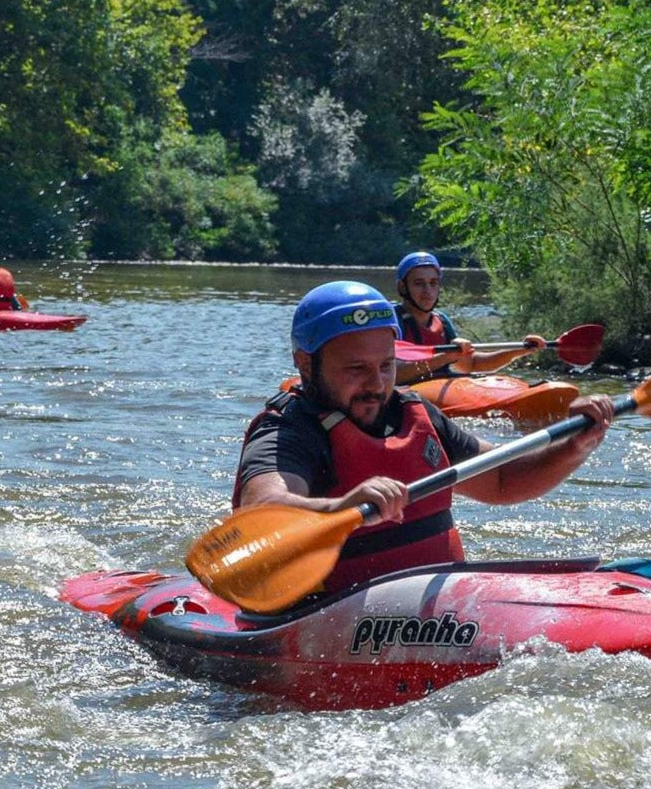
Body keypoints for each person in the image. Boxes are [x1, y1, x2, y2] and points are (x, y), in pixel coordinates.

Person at [234, 280, 613, 594]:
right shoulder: (287, 429)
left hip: (436, 607)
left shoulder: (414, 413)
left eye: (386, 366)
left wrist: (573, 447)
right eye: (356, 369)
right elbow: (260, 511)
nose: (376, 384)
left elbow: (501, 481)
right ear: (305, 363)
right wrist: (342, 508)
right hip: (328, 613)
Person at [393, 251, 548, 384]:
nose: (428, 290)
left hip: (439, 392)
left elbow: (471, 365)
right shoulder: (391, 322)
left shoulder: (442, 321)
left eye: (433, 283)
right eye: (419, 283)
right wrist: (445, 357)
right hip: (407, 396)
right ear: (402, 287)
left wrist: (520, 349)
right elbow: (392, 375)